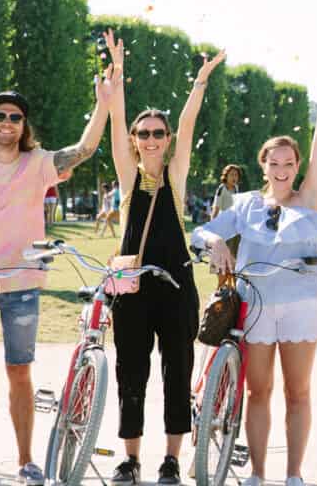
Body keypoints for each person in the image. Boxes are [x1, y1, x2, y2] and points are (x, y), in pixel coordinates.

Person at [0, 80, 113, 485]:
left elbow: (83, 150)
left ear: (23, 125)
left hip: (22, 286)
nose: (7, 122)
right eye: (0, 115)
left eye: (15, 117)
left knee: (19, 373)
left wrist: (103, 104)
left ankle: (26, 461)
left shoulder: (38, 164)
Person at [192, 62, 317, 486]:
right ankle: (259, 474)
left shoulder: (309, 199)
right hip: (256, 305)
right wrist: (217, 242)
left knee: (298, 391)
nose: (281, 169)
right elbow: (201, 232)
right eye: (274, 162)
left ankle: (293, 474)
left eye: (289, 162)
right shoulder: (245, 204)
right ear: (263, 165)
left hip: (299, 304)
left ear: (297, 166)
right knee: (257, 391)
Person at [98, 31, 223, 485]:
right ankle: (130, 458)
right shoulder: (128, 178)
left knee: (177, 371)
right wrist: (118, 73)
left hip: (176, 286)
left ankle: (170, 458)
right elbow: (116, 121)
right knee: (130, 373)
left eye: (158, 133)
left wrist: (201, 81)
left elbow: (188, 125)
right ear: (135, 140)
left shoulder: (175, 174)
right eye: (143, 133)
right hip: (132, 289)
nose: (150, 139)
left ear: (167, 139)